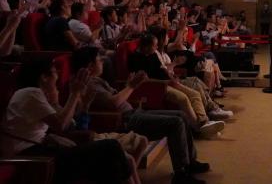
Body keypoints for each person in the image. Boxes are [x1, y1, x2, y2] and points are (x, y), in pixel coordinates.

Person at [71, 47, 212, 184]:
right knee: (176, 123)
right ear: (90, 66)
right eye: (98, 59)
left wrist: (129, 85)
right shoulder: (90, 84)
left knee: (182, 115)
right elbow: (114, 103)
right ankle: (181, 173)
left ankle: (190, 162)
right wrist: (131, 86)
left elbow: (116, 98)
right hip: (125, 120)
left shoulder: (96, 80)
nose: (102, 61)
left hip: (133, 113)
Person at [0, 59, 133, 184]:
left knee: (110, 159)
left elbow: (70, 123)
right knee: (111, 148)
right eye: (54, 72)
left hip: (40, 152)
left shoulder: (34, 95)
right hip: (33, 158)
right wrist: (74, 93)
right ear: (44, 77)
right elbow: (61, 125)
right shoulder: (30, 93)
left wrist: (59, 101)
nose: (57, 75)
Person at [127, 32, 224, 136]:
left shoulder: (152, 54)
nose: (156, 47)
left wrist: (172, 78)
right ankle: (199, 128)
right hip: (157, 87)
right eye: (154, 45)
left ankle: (204, 122)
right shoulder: (135, 58)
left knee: (194, 94)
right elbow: (143, 80)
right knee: (183, 98)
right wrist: (166, 82)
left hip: (168, 82)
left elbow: (162, 69)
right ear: (146, 47)